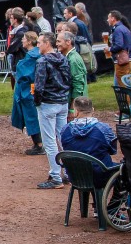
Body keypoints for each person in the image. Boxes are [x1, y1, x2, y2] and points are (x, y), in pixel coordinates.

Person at [35, 32, 72, 189]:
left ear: (47, 44)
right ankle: (69, 173)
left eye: (39, 42)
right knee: (62, 138)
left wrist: (37, 102)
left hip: (48, 103)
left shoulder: (42, 61)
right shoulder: (63, 58)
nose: (37, 45)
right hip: (62, 102)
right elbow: (68, 79)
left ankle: (56, 176)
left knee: (50, 141)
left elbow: (39, 85)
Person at [59, 96, 117, 187]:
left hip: (75, 176)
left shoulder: (65, 130)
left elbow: (66, 149)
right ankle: (115, 200)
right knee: (122, 169)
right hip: (100, 174)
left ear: (76, 111)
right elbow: (113, 150)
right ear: (92, 110)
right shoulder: (104, 129)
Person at [11, 31, 44, 156]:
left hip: (29, 90)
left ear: (30, 41)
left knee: (31, 116)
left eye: (24, 39)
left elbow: (24, 73)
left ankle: (39, 144)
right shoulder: (36, 54)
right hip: (34, 88)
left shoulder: (31, 57)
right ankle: (40, 143)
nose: (22, 41)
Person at [57, 30, 88, 112]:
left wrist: (72, 109)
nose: (56, 44)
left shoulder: (73, 59)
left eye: (59, 41)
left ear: (68, 42)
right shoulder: (68, 57)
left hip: (76, 108)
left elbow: (78, 86)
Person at [107, 10, 131, 85]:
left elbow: (119, 45)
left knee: (123, 86)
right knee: (119, 84)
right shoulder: (123, 28)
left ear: (113, 19)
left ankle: (127, 97)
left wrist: (109, 49)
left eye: (108, 18)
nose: (107, 20)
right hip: (128, 60)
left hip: (122, 62)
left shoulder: (118, 30)